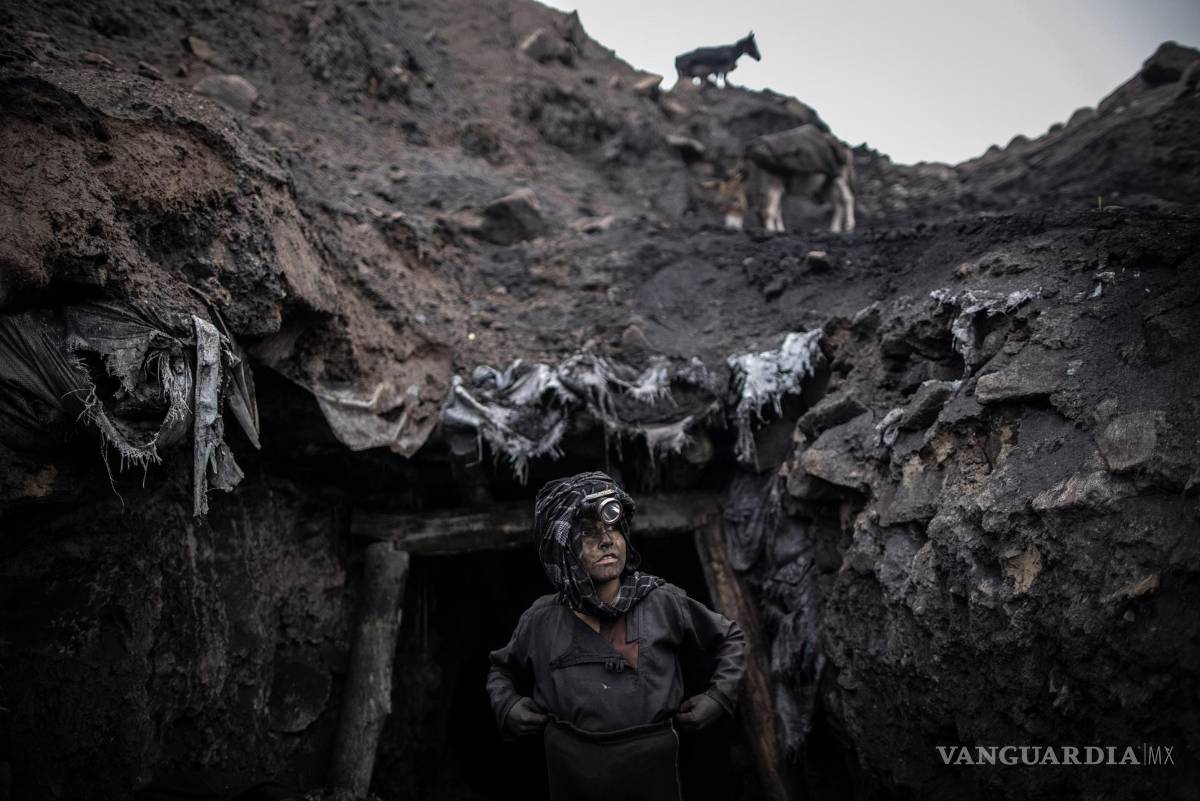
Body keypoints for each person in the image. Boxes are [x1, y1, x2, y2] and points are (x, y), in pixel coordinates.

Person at [486, 471, 747, 801]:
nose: (606, 541)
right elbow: (501, 670)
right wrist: (507, 706)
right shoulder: (541, 619)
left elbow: (730, 638)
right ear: (561, 550)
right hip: (573, 774)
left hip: (656, 774)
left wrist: (718, 697)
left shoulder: (662, 601)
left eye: (612, 529)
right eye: (588, 534)